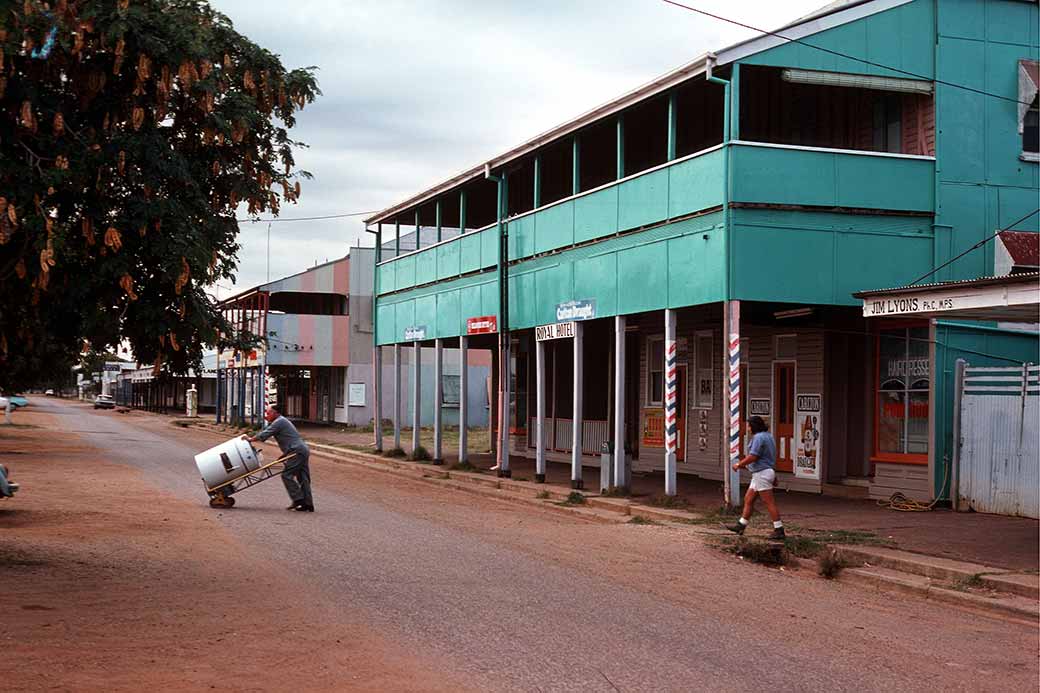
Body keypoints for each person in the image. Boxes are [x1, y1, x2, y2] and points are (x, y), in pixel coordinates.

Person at [244, 406, 314, 512]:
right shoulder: (280, 421)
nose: (266, 416)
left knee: (287, 475)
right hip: (300, 450)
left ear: (275, 413)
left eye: (268, 413)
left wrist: (250, 439)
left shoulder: (279, 422)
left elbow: (265, 434)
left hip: (297, 451)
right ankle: (308, 504)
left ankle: (299, 500)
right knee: (303, 477)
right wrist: (284, 456)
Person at [727, 416, 785, 540]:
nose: (747, 428)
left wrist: (739, 464)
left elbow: (754, 456)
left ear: (753, 426)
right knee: (748, 499)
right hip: (763, 472)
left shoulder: (758, 438)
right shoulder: (769, 436)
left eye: (748, 426)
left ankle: (779, 529)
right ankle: (741, 525)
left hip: (761, 473)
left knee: (769, 502)